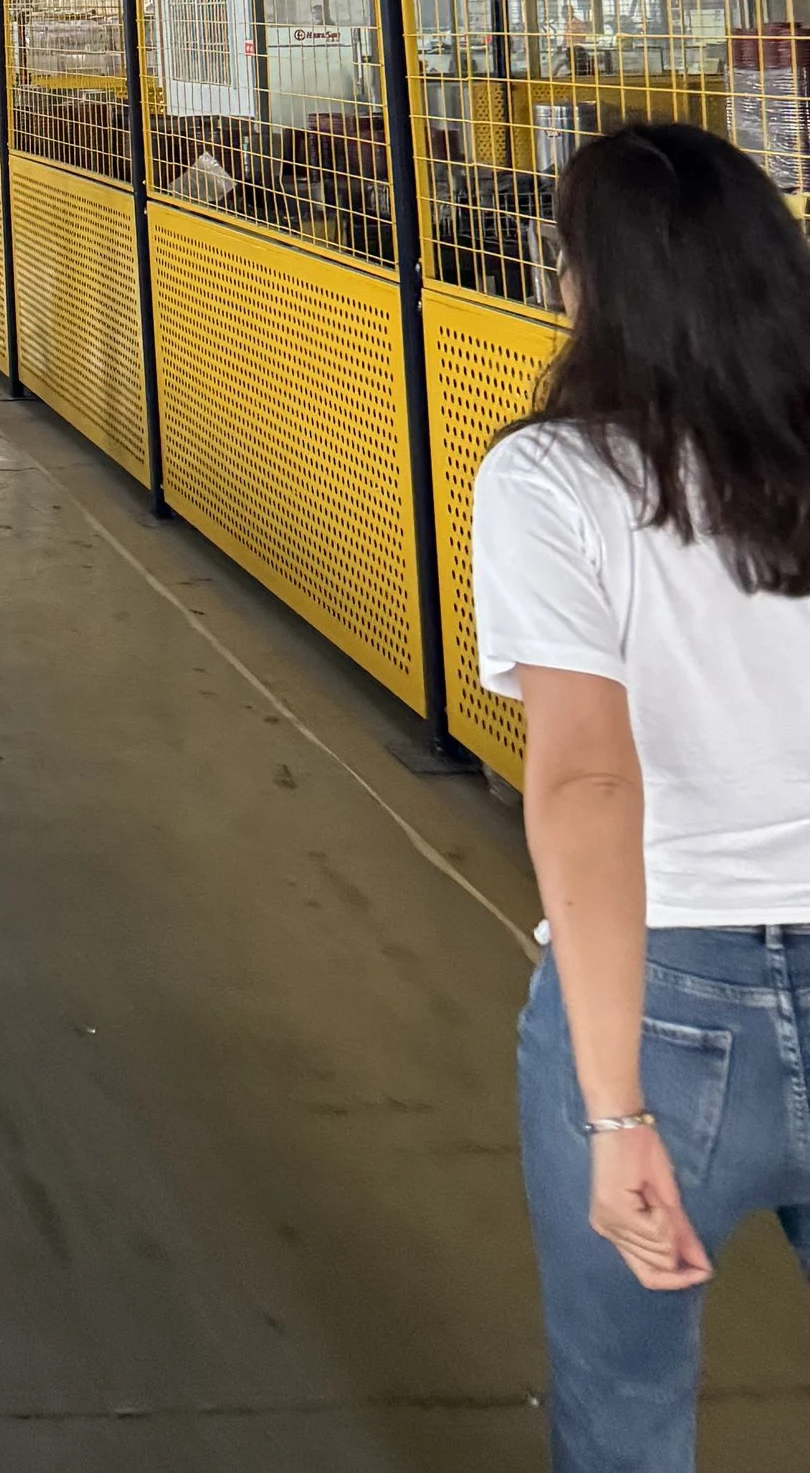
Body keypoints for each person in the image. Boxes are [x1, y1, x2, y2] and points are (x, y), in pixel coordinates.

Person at [471, 120, 810, 1472]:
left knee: (627, 1417)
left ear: (592, 285)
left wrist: (616, 1112)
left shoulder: (555, 480)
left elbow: (590, 778)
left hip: (665, 1002)